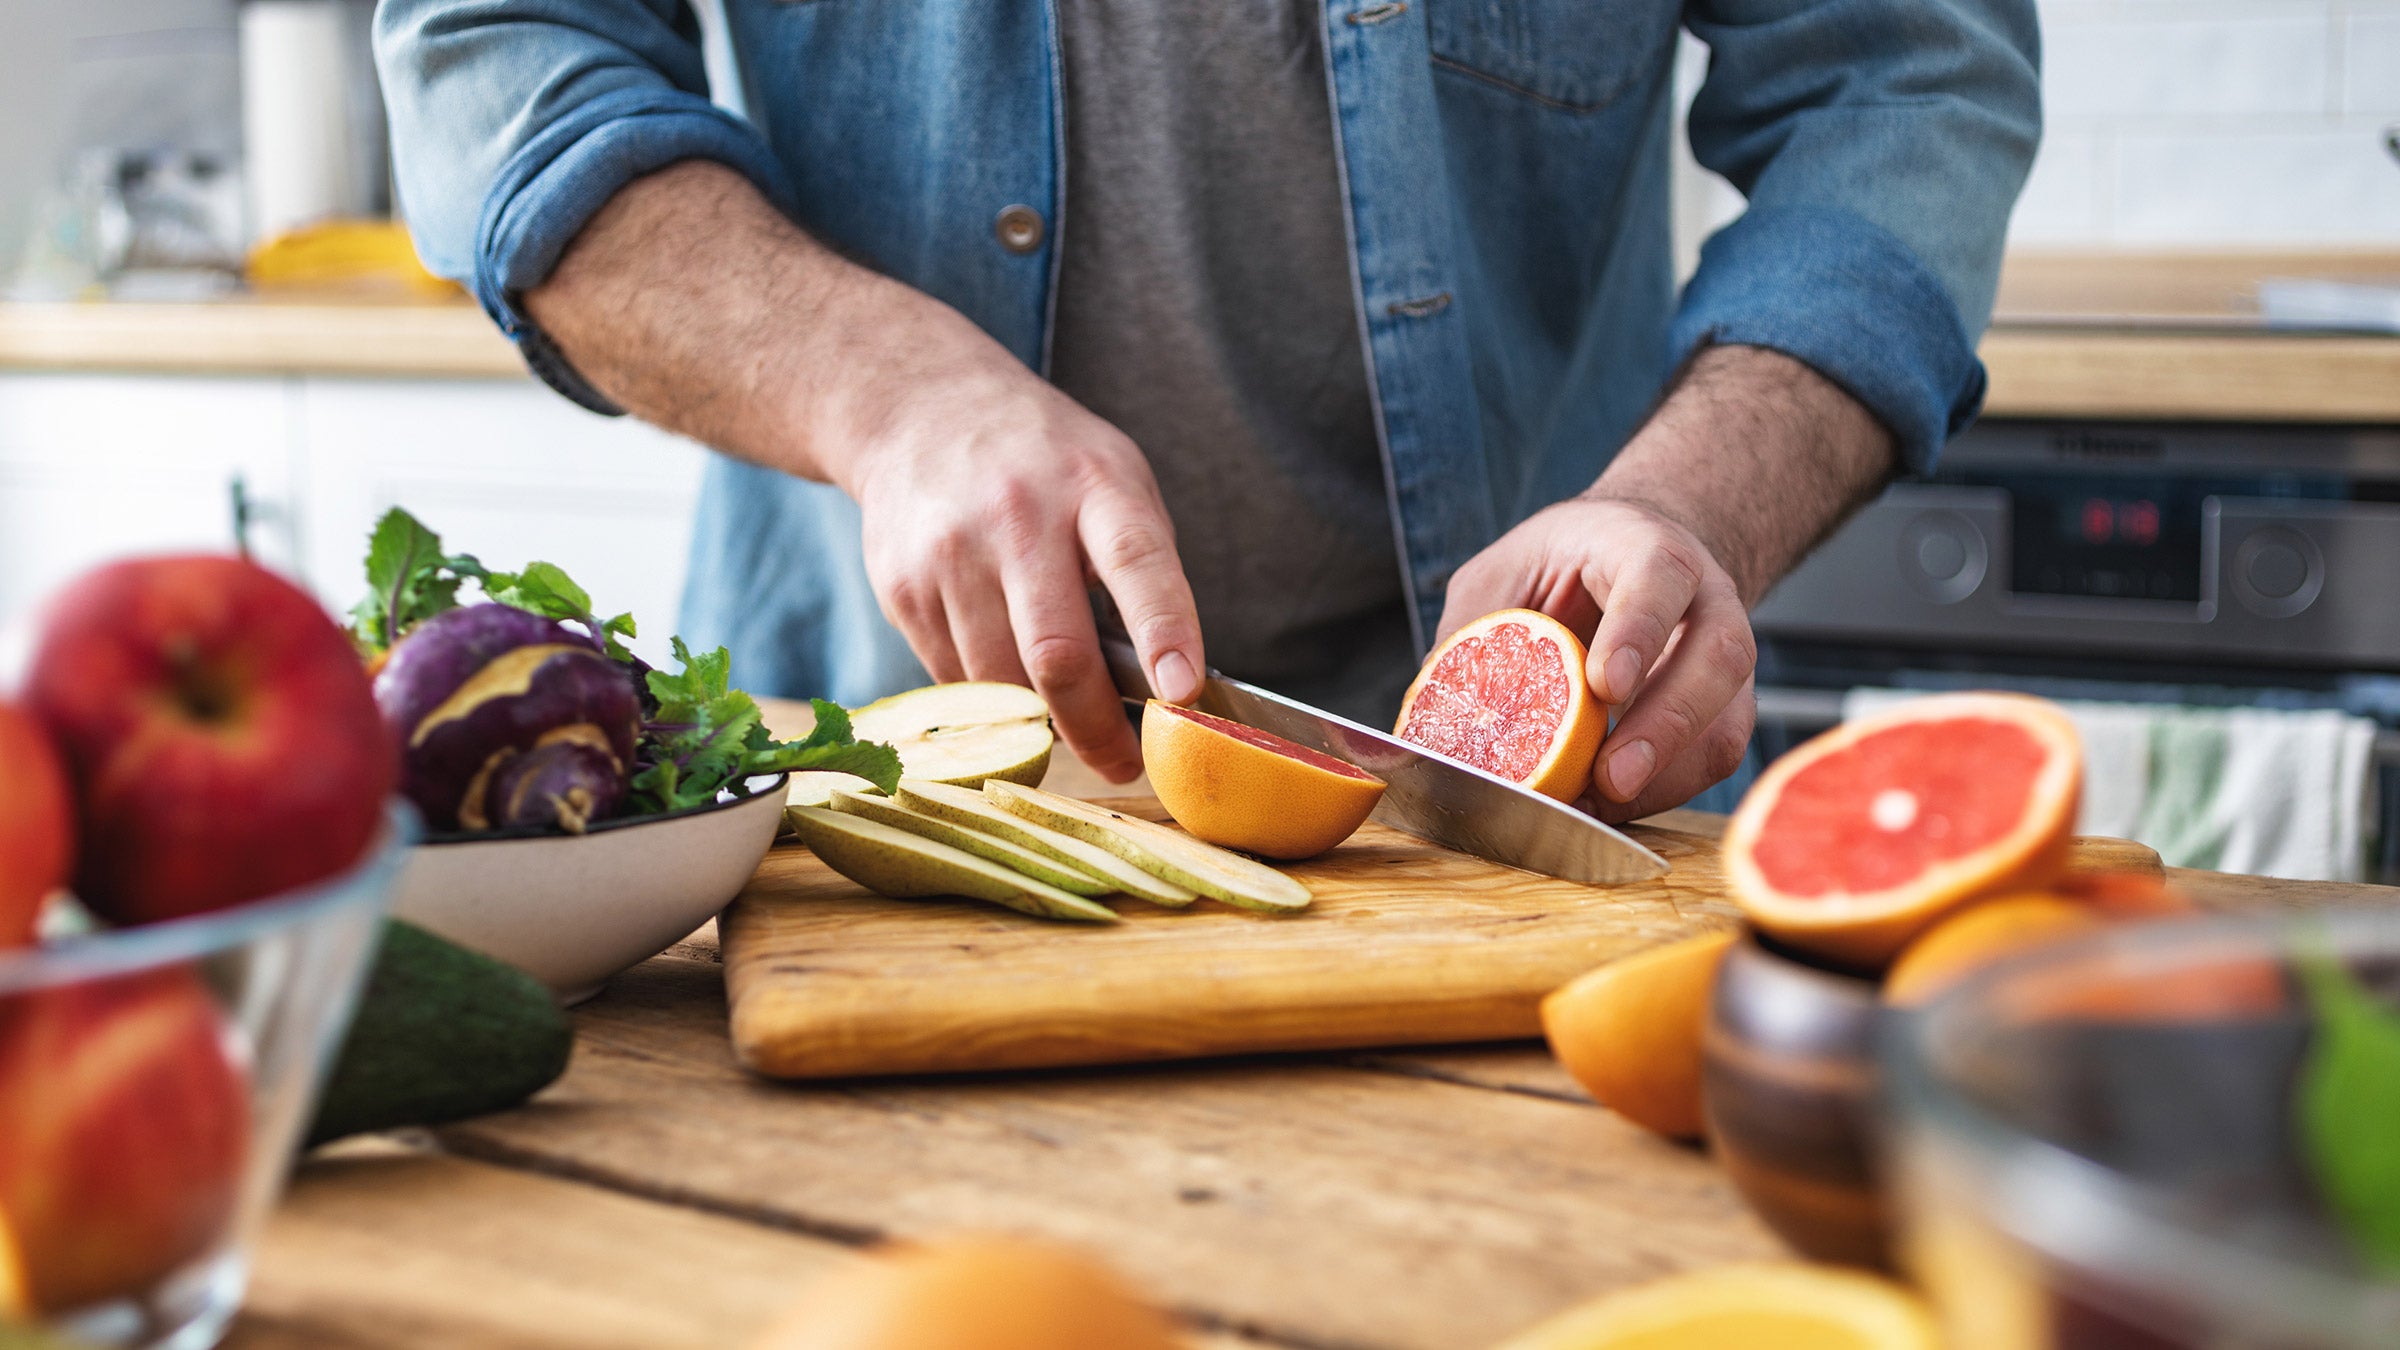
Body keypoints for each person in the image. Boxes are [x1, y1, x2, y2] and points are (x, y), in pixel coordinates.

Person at [373, 0, 2038, 819]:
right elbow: (498, 51)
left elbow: (1907, 74)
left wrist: (1696, 502)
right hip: (872, 787)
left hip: (1550, 803)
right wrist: (886, 395)